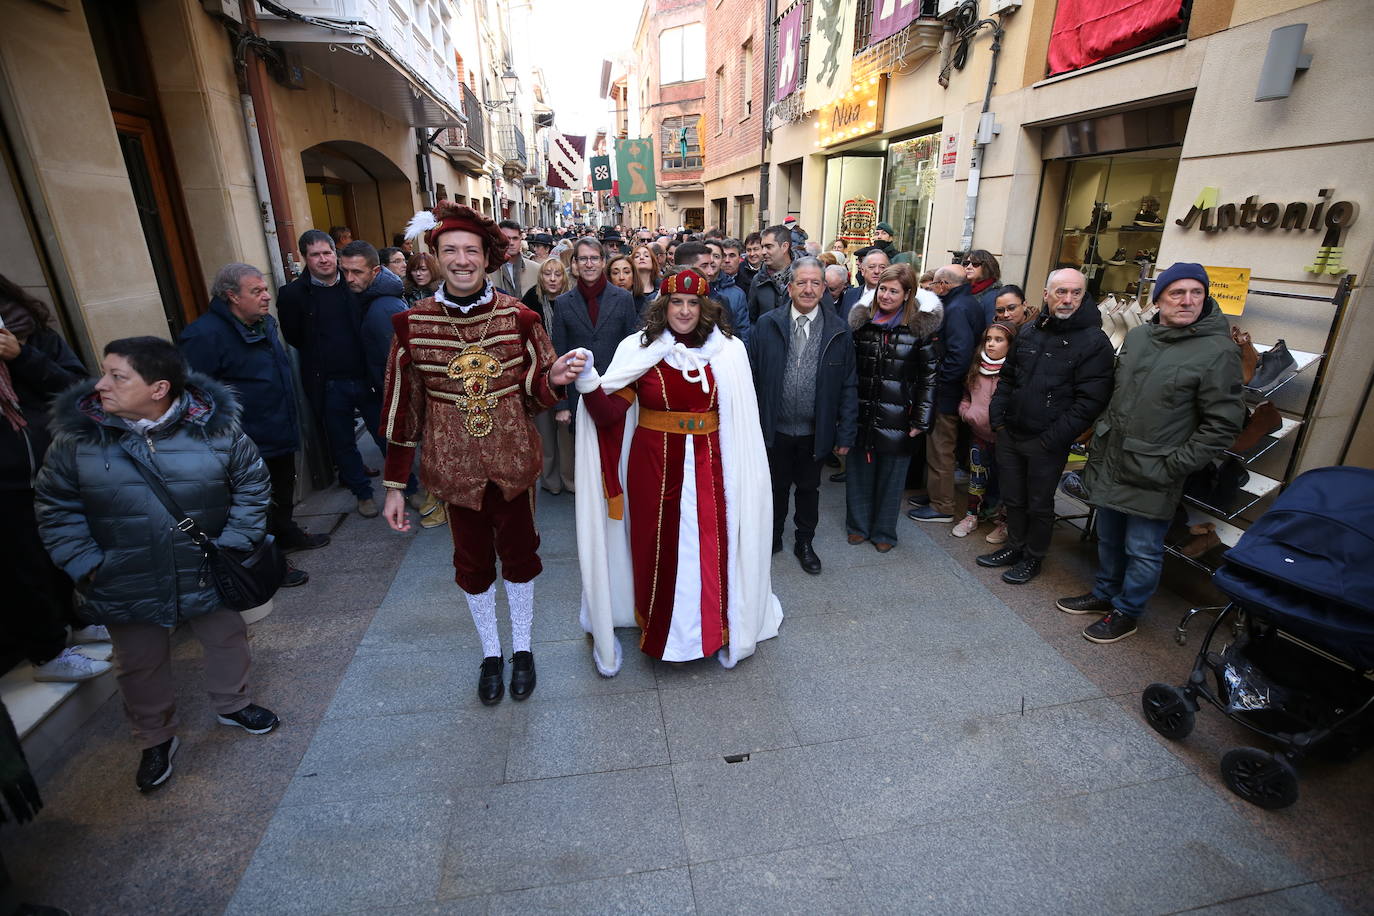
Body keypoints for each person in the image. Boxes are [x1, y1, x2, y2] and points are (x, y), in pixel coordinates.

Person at [35, 337, 277, 792]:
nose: (101, 384)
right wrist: (87, 564)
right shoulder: (78, 437)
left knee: (226, 638)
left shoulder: (214, 428)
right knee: (139, 662)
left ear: (159, 387)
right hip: (123, 573)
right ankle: (154, 737)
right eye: (103, 372)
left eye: (117, 376)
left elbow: (251, 483)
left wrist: (234, 544)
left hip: (206, 564)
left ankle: (233, 704)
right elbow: (54, 506)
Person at [382, 202, 586, 704]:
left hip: (513, 464)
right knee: (471, 564)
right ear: (433, 256)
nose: (461, 259)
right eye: (450, 250)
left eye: (470, 250)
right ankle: (491, 652)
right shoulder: (411, 325)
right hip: (454, 472)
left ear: (486, 257)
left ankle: (523, 649)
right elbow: (402, 409)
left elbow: (537, 390)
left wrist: (553, 379)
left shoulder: (521, 317)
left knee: (520, 557)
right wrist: (393, 484)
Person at [572, 269, 782, 675]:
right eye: (675, 302)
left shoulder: (729, 351)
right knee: (657, 547)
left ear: (705, 308)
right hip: (652, 467)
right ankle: (659, 629)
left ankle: (713, 630)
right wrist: (588, 382)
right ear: (662, 306)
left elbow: (741, 419)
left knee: (712, 548)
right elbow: (609, 413)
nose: (683, 311)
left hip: (713, 466)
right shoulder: (640, 348)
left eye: (692, 303)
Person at [1062, 264, 1244, 643]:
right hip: (1114, 459)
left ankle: (1127, 612)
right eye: (1177, 292)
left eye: (1197, 292)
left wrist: (1173, 466)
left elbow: (1222, 425)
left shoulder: (1218, 351)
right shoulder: (1141, 337)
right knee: (1108, 537)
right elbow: (1118, 393)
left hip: (1157, 469)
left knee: (1142, 549)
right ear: (1158, 298)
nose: (1188, 300)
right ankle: (1105, 594)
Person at [179, 263, 328, 589]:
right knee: (255, 502)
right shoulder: (203, 336)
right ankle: (270, 562)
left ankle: (286, 531)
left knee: (283, 486)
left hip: (278, 427)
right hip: (245, 441)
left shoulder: (263, 325)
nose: (266, 297)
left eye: (265, 290)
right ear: (232, 296)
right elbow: (195, 397)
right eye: (256, 291)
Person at [979, 268, 1114, 584]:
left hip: (1048, 440)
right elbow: (1008, 379)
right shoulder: (1029, 332)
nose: (1068, 299)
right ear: (1046, 294)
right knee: (1013, 498)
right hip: (1011, 432)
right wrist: (998, 421)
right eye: (1061, 292)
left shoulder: (1094, 341)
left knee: (1039, 503)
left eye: (1076, 293)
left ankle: (1032, 557)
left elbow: (1090, 402)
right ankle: (1014, 546)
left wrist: (1052, 439)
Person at [0, 275, 101, 685]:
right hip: (5, 481)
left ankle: (80, 621)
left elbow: (77, 387)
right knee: (25, 566)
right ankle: (48, 651)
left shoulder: (30, 330)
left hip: (51, 465)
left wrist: (21, 356)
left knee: (64, 549)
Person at [748, 258, 857, 574]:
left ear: (824, 288)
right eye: (802, 282)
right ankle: (772, 537)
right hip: (774, 429)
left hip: (814, 431)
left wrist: (845, 433)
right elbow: (752, 378)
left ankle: (804, 541)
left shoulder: (839, 331)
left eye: (815, 283)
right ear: (790, 286)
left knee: (809, 490)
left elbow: (849, 385)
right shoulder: (767, 325)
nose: (809, 289)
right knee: (775, 488)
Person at [276, 228, 383, 518]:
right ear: (305, 258)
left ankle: (409, 487)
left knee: (385, 435)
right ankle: (363, 494)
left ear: (335, 253)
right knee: (342, 443)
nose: (323, 260)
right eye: (315, 255)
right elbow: (294, 337)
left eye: (327, 253)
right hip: (329, 383)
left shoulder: (353, 284)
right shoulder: (292, 295)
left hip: (365, 377)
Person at [844, 264, 940, 552]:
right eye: (882, 289)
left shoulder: (919, 330)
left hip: (900, 415)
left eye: (893, 291)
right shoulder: (863, 325)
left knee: (892, 476)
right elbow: (848, 372)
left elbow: (930, 377)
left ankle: (884, 531)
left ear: (907, 294)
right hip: (862, 411)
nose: (886, 295)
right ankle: (858, 526)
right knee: (859, 472)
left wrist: (921, 419)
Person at [909, 264, 989, 525]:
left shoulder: (956, 309)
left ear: (943, 285)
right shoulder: (966, 303)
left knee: (940, 449)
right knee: (940, 448)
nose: (931, 288)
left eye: (934, 284)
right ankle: (935, 494)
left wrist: (937, 383)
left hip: (947, 393)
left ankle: (942, 505)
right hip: (952, 390)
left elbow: (959, 355)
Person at [548, 237, 642, 430]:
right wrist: (561, 405)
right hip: (577, 397)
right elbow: (557, 354)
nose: (589, 264)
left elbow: (632, 352)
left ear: (603, 262)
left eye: (594, 258)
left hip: (616, 393)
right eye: (583, 259)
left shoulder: (623, 299)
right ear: (574, 263)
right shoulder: (563, 303)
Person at [953, 322, 1017, 538]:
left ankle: (1004, 523)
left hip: (1005, 440)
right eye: (988, 339)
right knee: (977, 477)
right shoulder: (976, 366)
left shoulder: (1015, 372)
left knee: (1008, 483)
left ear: (1010, 345)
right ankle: (971, 516)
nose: (991, 344)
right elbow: (966, 396)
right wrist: (966, 412)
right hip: (979, 434)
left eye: (998, 340)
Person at [522, 257, 576, 495]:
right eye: (547, 274)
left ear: (564, 277)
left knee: (566, 432)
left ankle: (570, 478)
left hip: (567, 371)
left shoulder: (572, 301)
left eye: (557, 274)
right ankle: (550, 480)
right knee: (544, 432)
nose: (553, 279)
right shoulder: (530, 301)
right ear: (540, 277)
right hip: (539, 374)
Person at [679, 240, 750, 344]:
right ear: (685, 268)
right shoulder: (662, 300)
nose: (710, 272)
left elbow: (735, 338)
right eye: (704, 266)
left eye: (716, 257)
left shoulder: (721, 301)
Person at [747, 225, 794, 321]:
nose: (763, 252)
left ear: (784, 247)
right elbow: (752, 319)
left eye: (768, 247)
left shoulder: (804, 277)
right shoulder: (758, 280)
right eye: (762, 247)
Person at [486, 218, 539, 297]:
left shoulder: (536, 269)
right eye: (506, 238)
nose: (511, 243)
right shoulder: (488, 271)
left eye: (515, 238)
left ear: (520, 238)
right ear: (498, 239)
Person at [838, 247, 891, 322]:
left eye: (882, 267)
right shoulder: (849, 295)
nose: (877, 271)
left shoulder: (893, 299)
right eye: (871, 267)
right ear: (862, 271)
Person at [962, 249, 1003, 320]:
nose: (968, 267)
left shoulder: (993, 296)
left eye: (975, 264)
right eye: (966, 263)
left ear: (987, 267)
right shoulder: (964, 290)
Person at [629, 243, 661, 312]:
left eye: (646, 256)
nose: (641, 258)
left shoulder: (662, 290)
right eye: (637, 256)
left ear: (653, 262)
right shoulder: (628, 290)